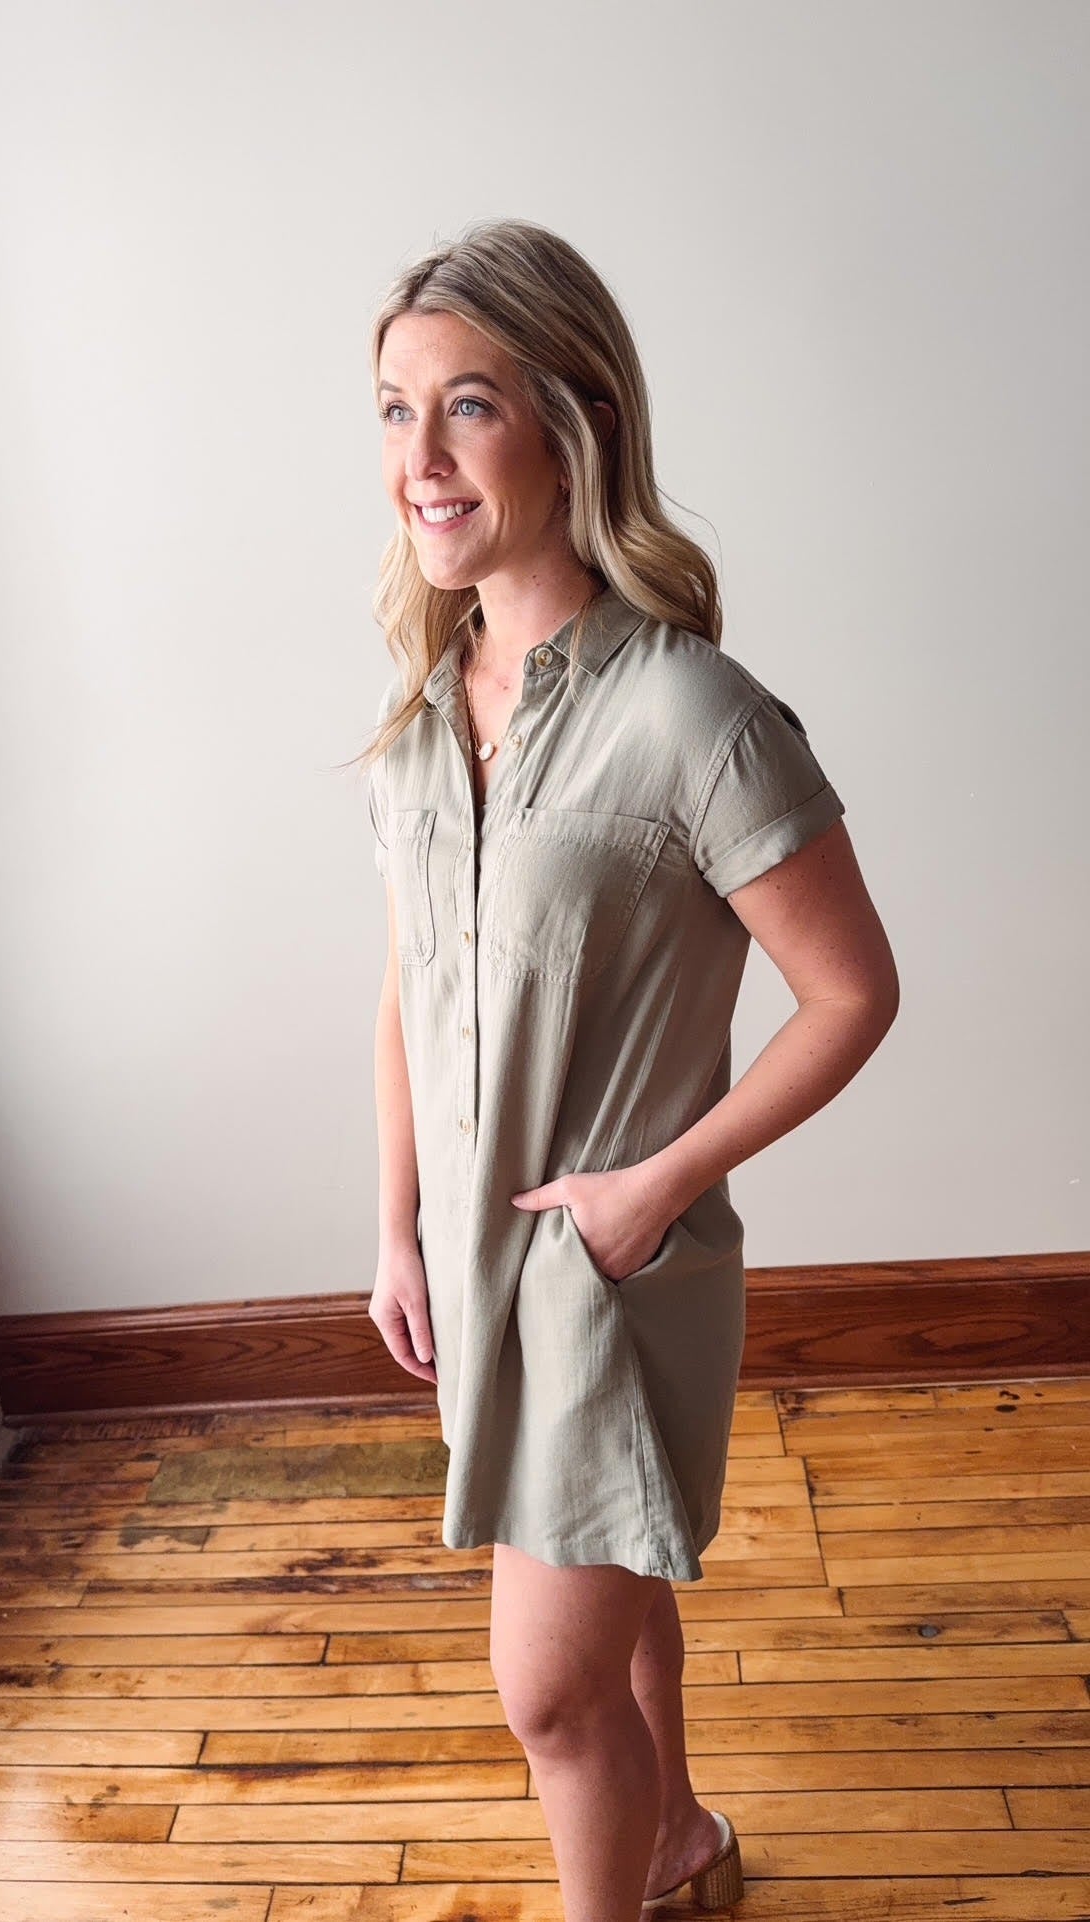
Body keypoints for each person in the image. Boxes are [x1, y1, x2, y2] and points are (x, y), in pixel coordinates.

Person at [355, 217, 899, 1922]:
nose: (420, 460)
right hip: (471, 1254)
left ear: (573, 420)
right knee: (614, 1587)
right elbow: (413, 980)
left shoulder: (695, 715)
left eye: (468, 408)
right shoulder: (422, 711)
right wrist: (395, 1223)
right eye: (391, 411)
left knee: (551, 1689)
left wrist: (650, 1190)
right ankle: (678, 1844)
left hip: (602, 1267)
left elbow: (852, 991)